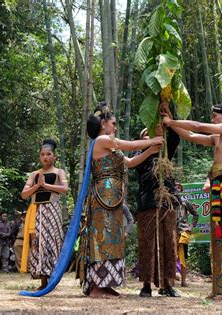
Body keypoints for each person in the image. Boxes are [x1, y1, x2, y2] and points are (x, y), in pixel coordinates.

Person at [77, 102, 164, 298]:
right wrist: (152, 141)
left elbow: (131, 162)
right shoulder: (101, 141)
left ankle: (106, 284)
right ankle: (97, 286)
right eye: (113, 123)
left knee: (113, 238)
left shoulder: (111, 146)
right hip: (103, 195)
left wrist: (150, 152)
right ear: (103, 124)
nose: (115, 127)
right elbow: (130, 145)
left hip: (113, 196)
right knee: (103, 237)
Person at [162, 102, 222, 299]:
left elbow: (197, 126)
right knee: (218, 232)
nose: (213, 118)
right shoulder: (217, 137)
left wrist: (171, 121)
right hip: (216, 183)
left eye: (216, 115)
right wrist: (171, 122)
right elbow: (190, 135)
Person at [136, 119, 181, 298]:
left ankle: (167, 285)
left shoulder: (165, 154)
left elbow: (175, 138)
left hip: (166, 203)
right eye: (146, 135)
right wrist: (150, 148)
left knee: (168, 244)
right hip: (147, 204)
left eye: (152, 134)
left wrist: (167, 120)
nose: (150, 137)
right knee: (148, 244)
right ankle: (146, 285)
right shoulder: (139, 156)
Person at [20, 139, 68, 290]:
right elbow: (24, 194)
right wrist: (37, 185)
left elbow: (65, 189)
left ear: (55, 157)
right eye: (42, 154)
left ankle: (53, 278)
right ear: (39, 157)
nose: (45, 157)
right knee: (38, 243)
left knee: (52, 241)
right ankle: (42, 280)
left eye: (48, 154)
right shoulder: (34, 174)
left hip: (52, 210)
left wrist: (46, 185)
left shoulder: (59, 172)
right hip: (37, 210)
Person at [174, 182, 199, 287]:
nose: (176, 188)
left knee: (183, 257)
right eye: (174, 186)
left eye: (178, 187)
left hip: (183, 231)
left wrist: (191, 226)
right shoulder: (167, 201)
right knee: (171, 256)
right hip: (171, 231)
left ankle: (183, 281)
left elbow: (195, 214)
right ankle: (170, 281)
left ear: (181, 190)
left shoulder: (185, 202)